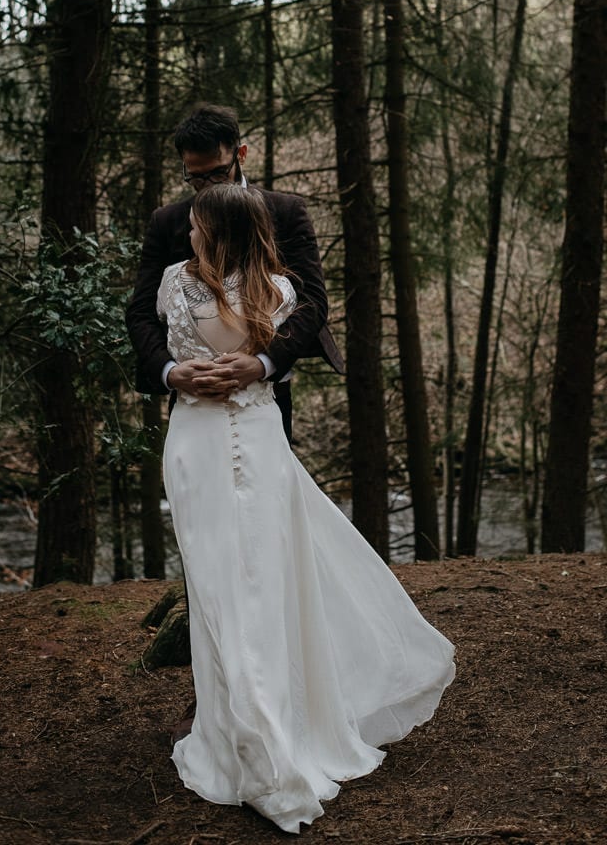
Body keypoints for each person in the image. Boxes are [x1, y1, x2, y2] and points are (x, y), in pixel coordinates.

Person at [158, 183, 455, 834]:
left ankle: (258, 739)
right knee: (245, 588)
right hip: (233, 442)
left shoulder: (190, 287)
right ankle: (252, 728)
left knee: (236, 589)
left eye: (198, 226)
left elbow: (220, 349)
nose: (188, 234)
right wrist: (197, 371)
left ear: (217, 233)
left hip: (215, 441)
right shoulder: (276, 293)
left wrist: (222, 369)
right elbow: (225, 350)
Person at [126, 103, 344, 443]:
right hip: (192, 398)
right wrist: (171, 372)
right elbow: (141, 311)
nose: (206, 185)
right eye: (195, 176)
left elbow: (312, 301)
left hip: (265, 393)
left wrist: (263, 363)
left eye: (216, 173)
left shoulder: (285, 212)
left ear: (239, 153)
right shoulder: (168, 222)